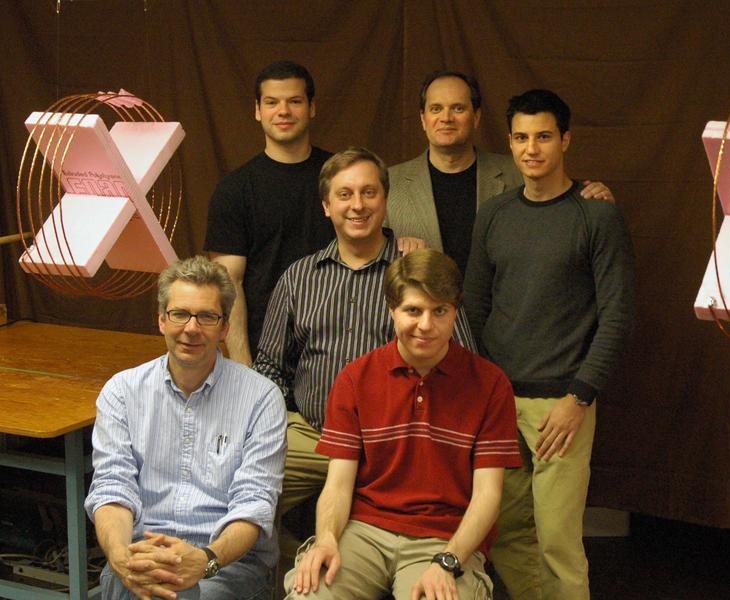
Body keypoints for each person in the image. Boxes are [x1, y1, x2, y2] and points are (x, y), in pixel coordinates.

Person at [252, 148, 477, 574]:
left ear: (385, 200)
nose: (358, 205)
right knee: (243, 496)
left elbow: (463, 364)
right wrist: (277, 419)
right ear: (327, 205)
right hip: (310, 435)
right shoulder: (299, 277)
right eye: (345, 194)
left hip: (393, 444)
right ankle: (293, 569)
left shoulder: (418, 273)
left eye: (369, 192)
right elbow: (269, 365)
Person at [464, 89, 637, 600]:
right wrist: (483, 389)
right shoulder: (494, 215)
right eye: (520, 137)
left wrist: (579, 397)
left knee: (559, 540)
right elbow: (474, 309)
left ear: (565, 140)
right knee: (509, 532)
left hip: (561, 403)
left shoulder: (596, 216)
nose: (531, 148)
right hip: (497, 399)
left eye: (543, 137)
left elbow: (618, 316)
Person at [285, 248, 522, 600]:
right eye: (413, 310)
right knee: (312, 593)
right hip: (364, 531)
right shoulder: (355, 378)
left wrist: (448, 560)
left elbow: (488, 495)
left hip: (445, 537)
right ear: (392, 309)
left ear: (455, 312)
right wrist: (326, 540)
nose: (426, 325)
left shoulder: (490, 384)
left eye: (439, 311)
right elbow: (337, 485)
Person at [85, 255, 287, 600]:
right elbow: (112, 488)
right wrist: (120, 556)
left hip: (225, 562)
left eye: (207, 316)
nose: (191, 328)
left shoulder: (261, 399)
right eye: (180, 314)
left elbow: (254, 504)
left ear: (224, 327)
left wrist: (205, 560)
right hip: (141, 551)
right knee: (128, 590)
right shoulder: (122, 391)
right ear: (162, 320)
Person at [385, 70, 614, 276]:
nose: (446, 117)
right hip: (423, 320)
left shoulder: (521, 172)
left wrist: (595, 202)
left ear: (476, 117)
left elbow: (564, 205)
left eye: (458, 108)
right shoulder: (388, 184)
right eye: (436, 109)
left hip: (500, 319)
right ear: (423, 119)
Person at [205, 60, 334, 367]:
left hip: (338, 348)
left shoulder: (342, 178)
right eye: (272, 102)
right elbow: (229, 284)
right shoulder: (233, 191)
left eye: (295, 101)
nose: (284, 111)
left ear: (312, 107)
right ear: (258, 110)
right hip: (267, 355)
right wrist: (244, 369)